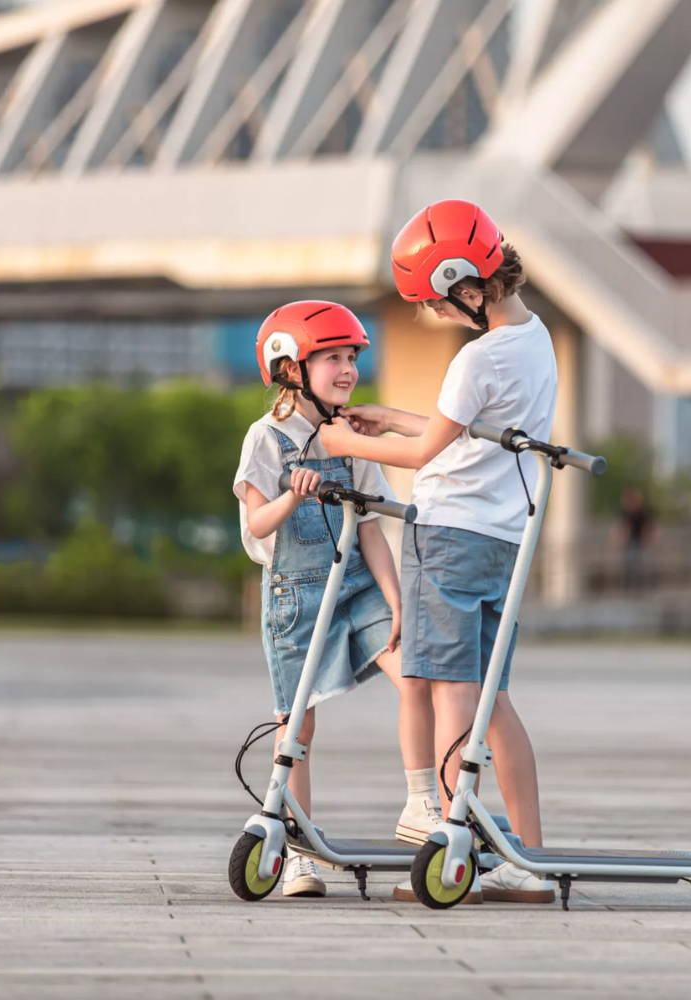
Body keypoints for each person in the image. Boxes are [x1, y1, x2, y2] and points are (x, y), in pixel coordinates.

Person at [319, 200, 557, 904]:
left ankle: (454, 852)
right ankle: (528, 859)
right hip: (503, 537)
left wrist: (344, 442)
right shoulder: (534, 337)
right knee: (492, 700)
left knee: (452, 697)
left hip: (447, 536)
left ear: (468, 288)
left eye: (439, 305)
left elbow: (427, 454)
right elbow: (471, 431)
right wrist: (390, 416)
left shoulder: (477, 356)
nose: (441, 317)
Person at [233, 301, 439, 898]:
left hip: (357, 589)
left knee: (417, 675)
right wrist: (293, 497)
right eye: (332, 358)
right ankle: (298, 849)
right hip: (296, 596)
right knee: (297, 727)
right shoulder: (266, 437)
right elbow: (258, 522)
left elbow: (371, 524)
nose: (348, 369)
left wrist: (396, 601)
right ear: (290, 368)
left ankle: (421, 801)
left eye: (351, 357)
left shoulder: (352, 435)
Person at [614, 486, 656, 592]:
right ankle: (630, 585)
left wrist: (648, 537)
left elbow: (649, 525)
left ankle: (636, 586)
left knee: (636, 563)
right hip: (630, 541)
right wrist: (621, 537)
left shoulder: (642, 512)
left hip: (638, 540)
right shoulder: (627, 512)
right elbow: (622, 526)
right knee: (629, 563)